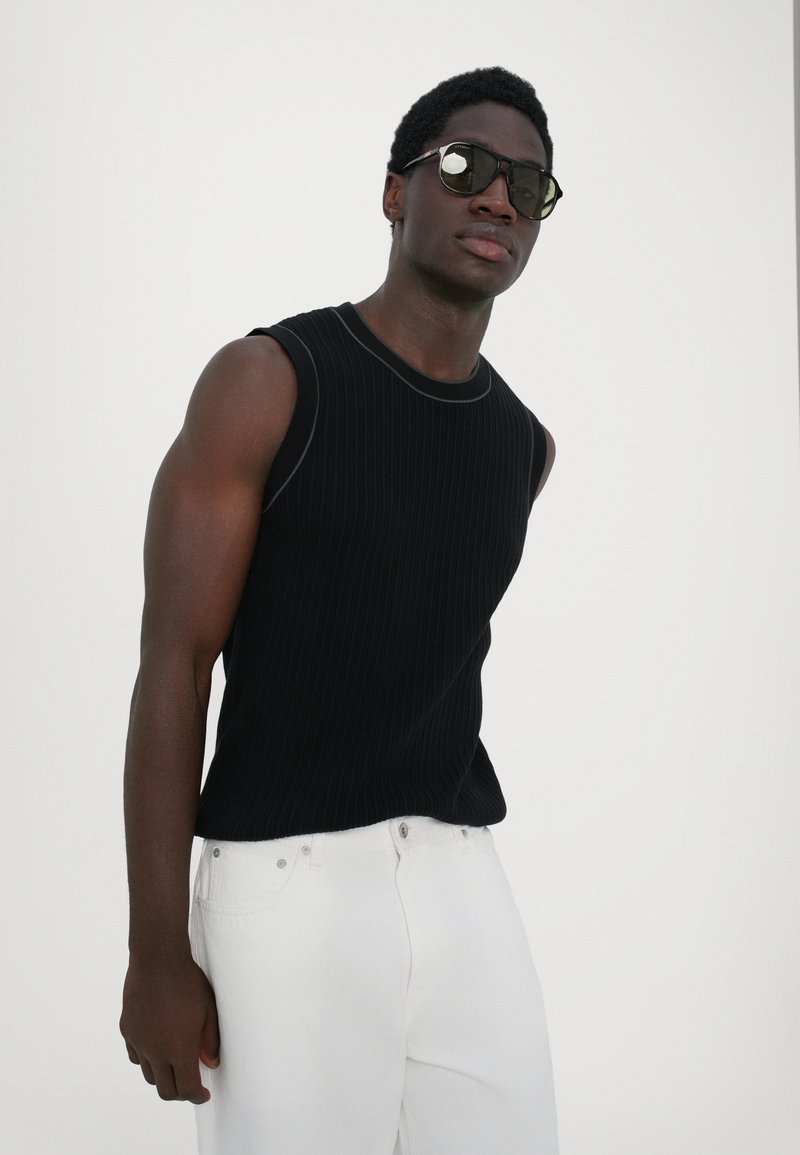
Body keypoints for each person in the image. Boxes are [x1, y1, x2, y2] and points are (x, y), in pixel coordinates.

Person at [120, 64, 564, 1155]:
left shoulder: (523, 444)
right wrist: (156, 949)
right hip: (289, 881)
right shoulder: (269, 381)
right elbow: (175, 664)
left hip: (460, 870)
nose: (496, 196)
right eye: (463, 165)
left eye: (527, 185)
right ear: (394, 191)